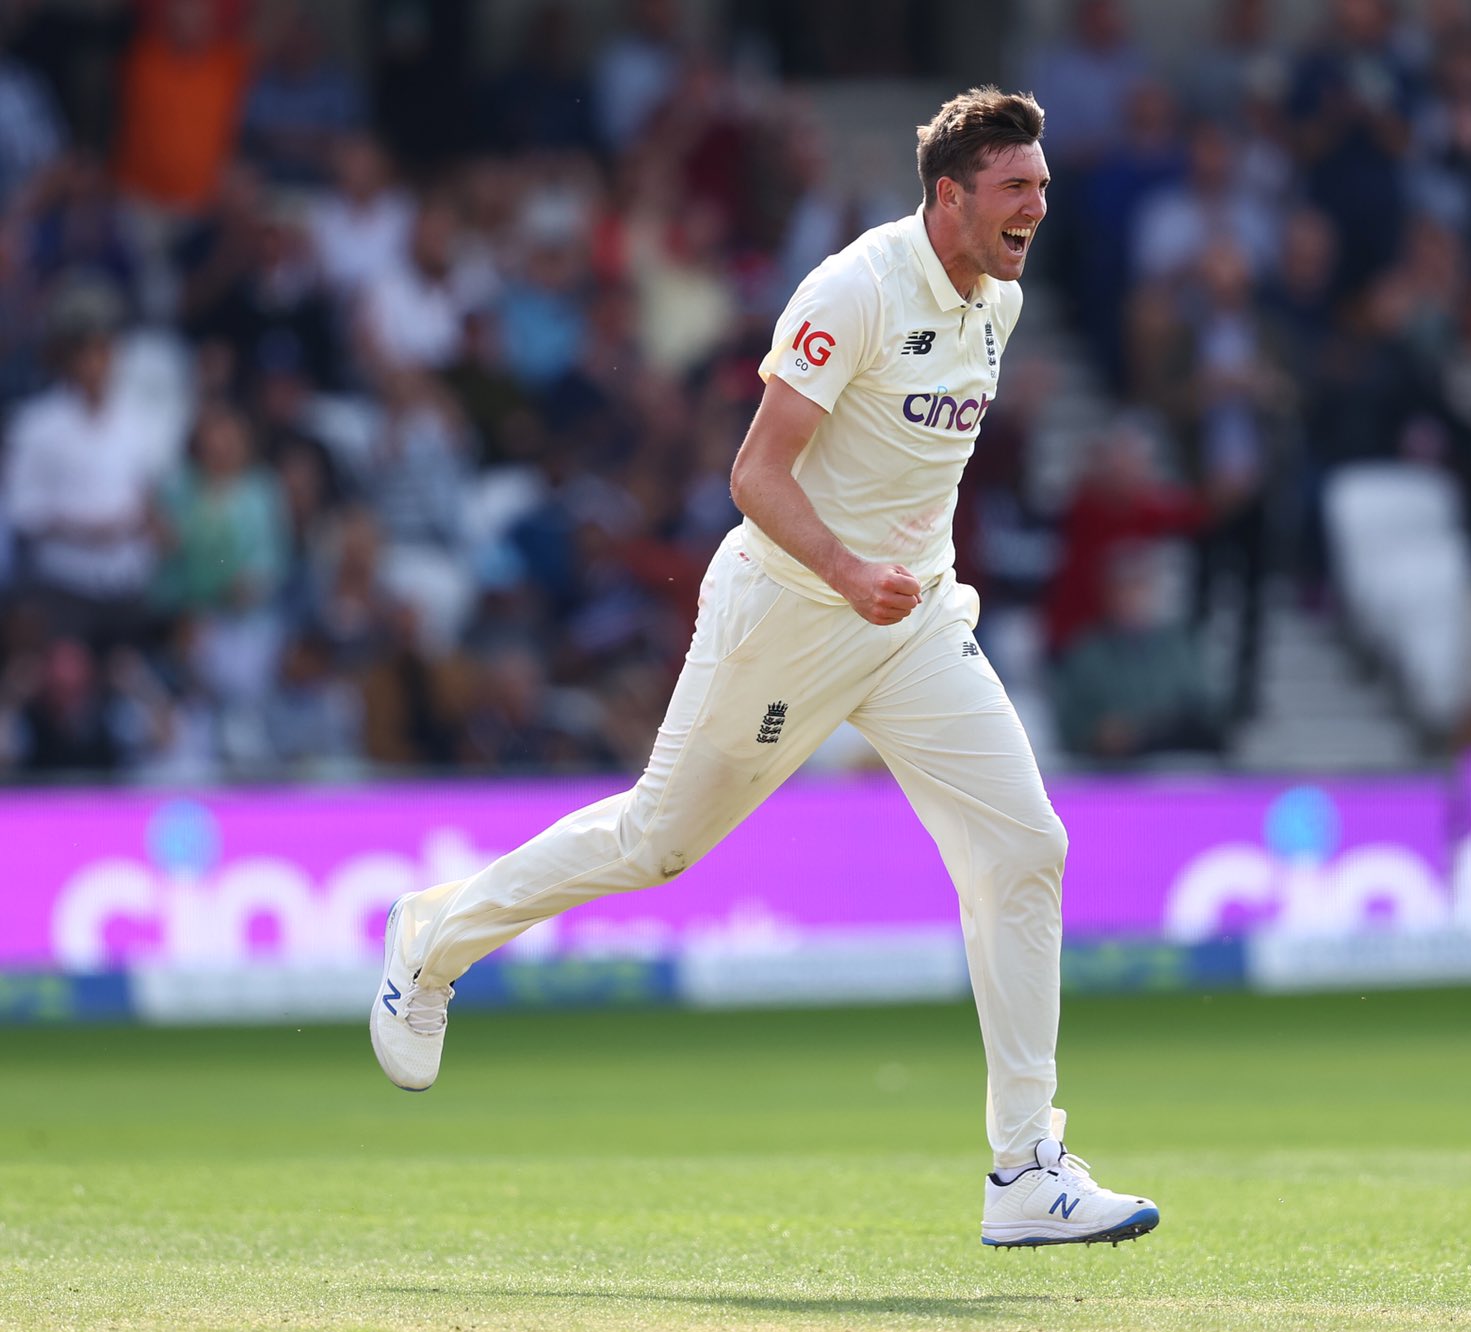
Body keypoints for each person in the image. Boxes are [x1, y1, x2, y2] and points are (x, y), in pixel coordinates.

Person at [371, 87, 1160, 1250]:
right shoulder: (855, 286)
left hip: (913, 621)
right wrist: (846, 571)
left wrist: (889, 583)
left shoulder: (1000, 296)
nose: (1037, 206)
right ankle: (430, 942)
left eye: (1039, 187)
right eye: (1014, 188)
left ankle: (1023, 1168)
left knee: (1024, 845)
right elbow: (754, 472)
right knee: (656, 843)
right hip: (791, 611)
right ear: (949, 194)